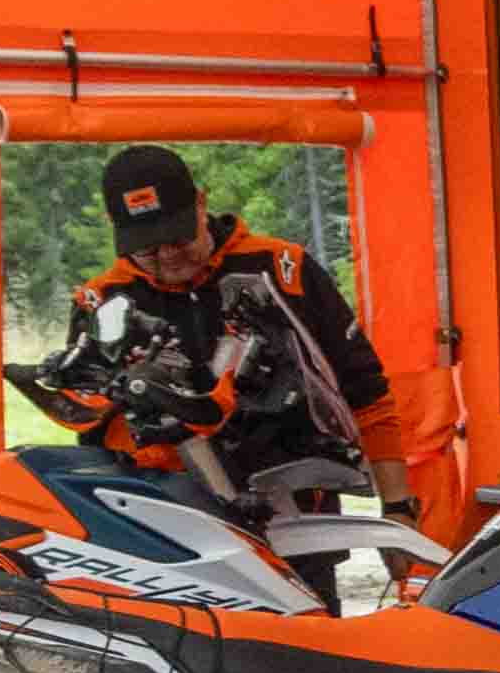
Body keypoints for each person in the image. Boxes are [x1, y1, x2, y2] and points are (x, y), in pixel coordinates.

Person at [33, 143, 387, 486]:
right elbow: (91, 431)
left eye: (179, 238)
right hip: (158, 501)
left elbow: (367, 390)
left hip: (295, 493)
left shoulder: (282, 269)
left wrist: (398, 506)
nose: (169, 256)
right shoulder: (100, 301)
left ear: (201, 203)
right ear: (114, 226)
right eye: (147, 249)